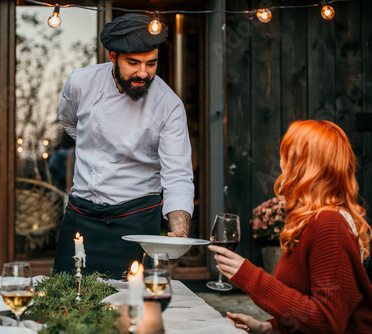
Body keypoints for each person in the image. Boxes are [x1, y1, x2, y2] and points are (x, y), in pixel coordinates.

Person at [54, 14, 195, 278]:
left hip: (137, 220)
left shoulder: (169, 106)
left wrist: (179, 229)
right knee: (64, 298)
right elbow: (69, 122)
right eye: (133, 63)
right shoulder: (81, 82)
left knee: (132, 310)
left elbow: (177, 175)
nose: (143, 73)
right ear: (112, 56)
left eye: (151, 64)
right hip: (81, 215)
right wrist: (95, 148)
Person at [209, 120, 372, 333]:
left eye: (287, 155)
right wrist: (270, 327)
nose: (281, 162)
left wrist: (249, 276)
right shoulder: (317, 219)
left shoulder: (329, 225)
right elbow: (310, 306)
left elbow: (327, 321)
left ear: (305, 165)